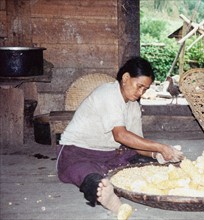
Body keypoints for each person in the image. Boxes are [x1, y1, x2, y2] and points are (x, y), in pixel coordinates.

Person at [56, 57, 184, 218]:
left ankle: (107, 182)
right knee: (87, 173)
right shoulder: (108, 93)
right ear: (125, 78)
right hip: (78, 151)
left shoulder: (133, 106)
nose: (140, 93)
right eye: (139, 86)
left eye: (145, 89)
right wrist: (160, 147)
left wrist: (156, 154)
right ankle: (105, 193)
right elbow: (120, 135)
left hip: (111, 154)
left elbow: (137, 143)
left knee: (147, 164)